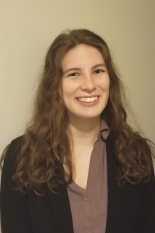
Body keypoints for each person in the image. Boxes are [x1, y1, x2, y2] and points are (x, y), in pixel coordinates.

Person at [0, 29, 155, 233]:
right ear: (55, 87)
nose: (90, 85)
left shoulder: (137, 153)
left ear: (110, 79)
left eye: (98, 71)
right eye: (74, 74)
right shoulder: (20, 157)